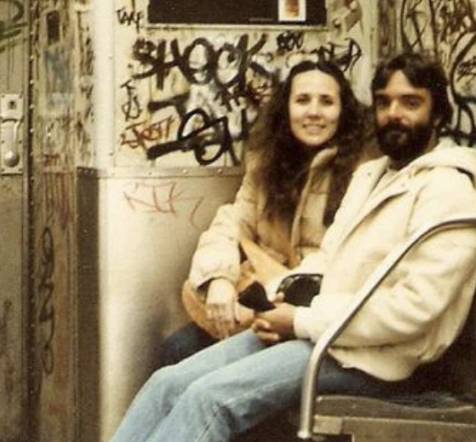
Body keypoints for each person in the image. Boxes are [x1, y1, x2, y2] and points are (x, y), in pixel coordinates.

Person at [108, 52, 476, 442]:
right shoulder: (375, 177)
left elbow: (413, 309)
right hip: (325, 332)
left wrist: (301, 319)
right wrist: (273, 302)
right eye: (384, 102)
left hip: (376, 356)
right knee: (167, 383)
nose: (394, 114)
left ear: (438, 114)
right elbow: (328, 258)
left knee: (209, 399)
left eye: (411, 103)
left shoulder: (447, 190)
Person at [159, 58, 371, 367]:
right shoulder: (267, 163)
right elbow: (231, 223)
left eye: (326, 101)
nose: (313, 111)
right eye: (302, 100)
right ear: (287, 109)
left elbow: (342, 260)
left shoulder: (362, 171)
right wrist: (219, 277)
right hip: (260, 306)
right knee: (178, 348)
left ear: (343, 111)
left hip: (312, 316)